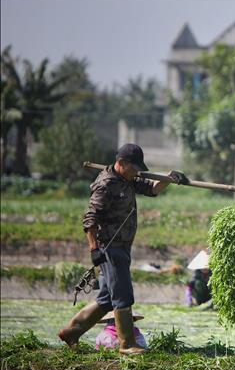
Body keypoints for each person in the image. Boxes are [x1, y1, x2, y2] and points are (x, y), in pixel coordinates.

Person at [58, 143, 188, 355]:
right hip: (110, 247)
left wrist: (169, 178)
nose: (137, 172)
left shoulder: (128, 179)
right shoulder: (106, 185)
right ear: (121, 163)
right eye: (134, 168)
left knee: (106, 299)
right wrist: (94, 249)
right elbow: (89, 219)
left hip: (123, 246)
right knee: (123, 295)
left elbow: (151, 189)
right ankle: (127, 344)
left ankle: (71, 332)